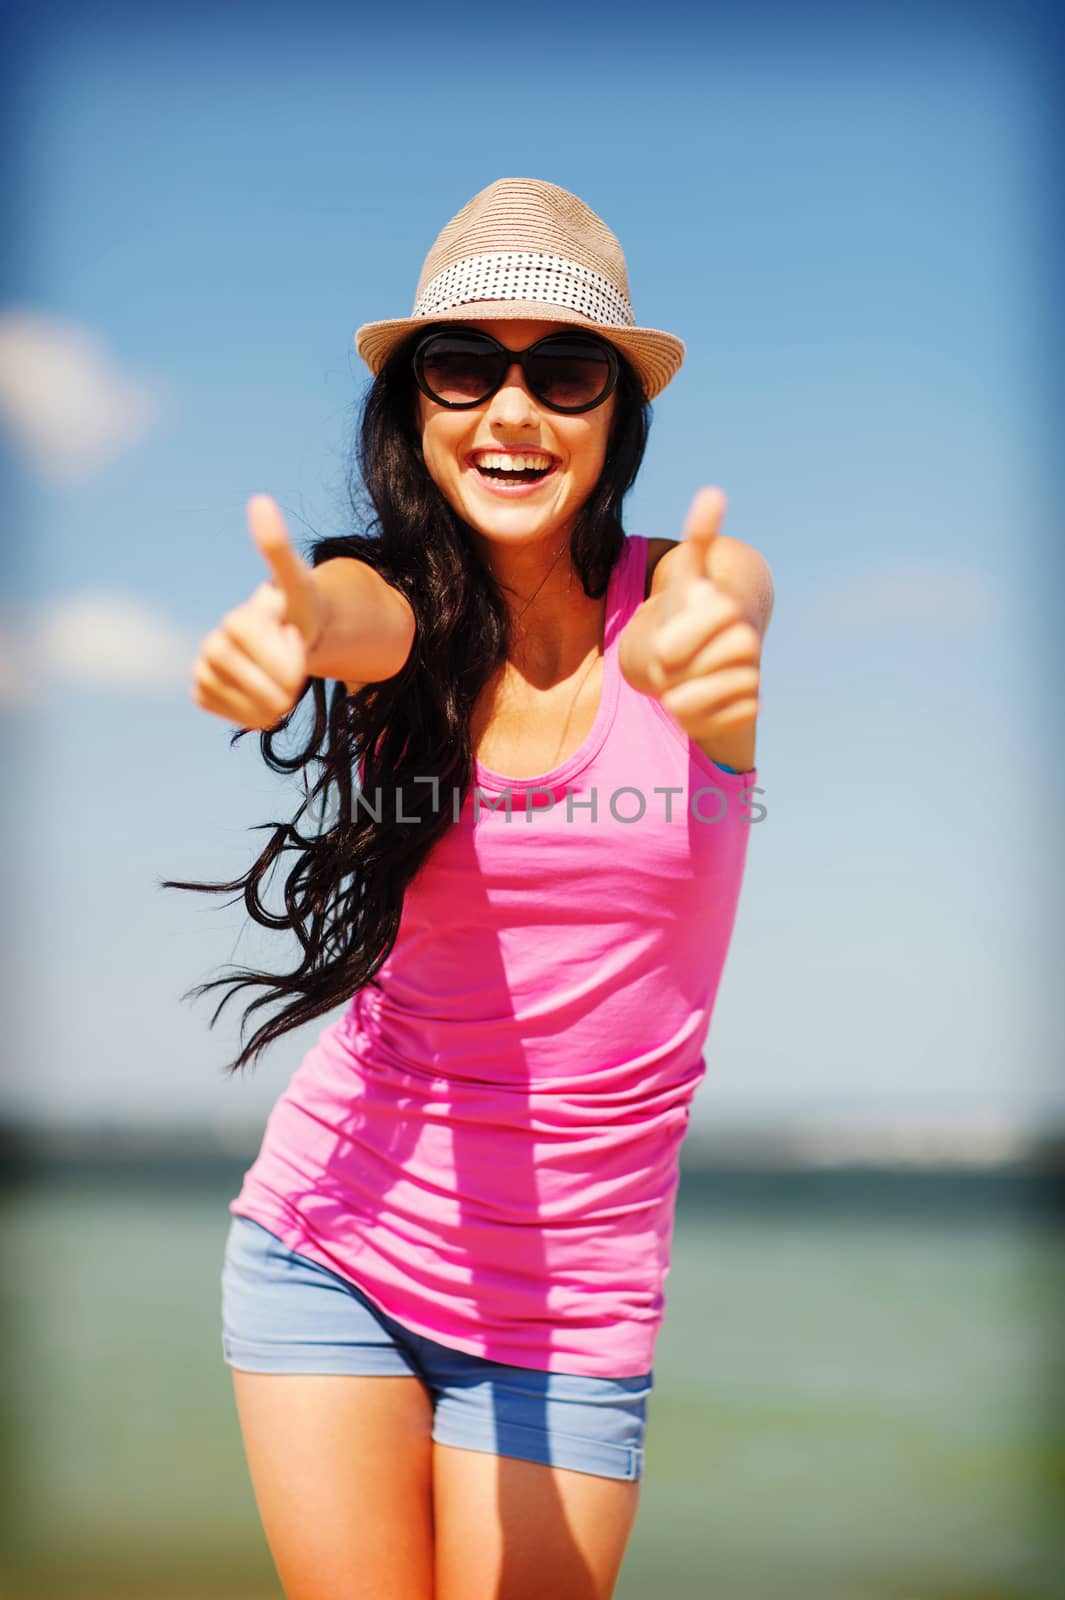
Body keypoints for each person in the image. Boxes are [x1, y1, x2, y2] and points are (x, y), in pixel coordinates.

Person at [174, 177, 774, 1600]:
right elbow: (346, 616)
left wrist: (701, 652)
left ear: (614, 416)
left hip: (572, 1305)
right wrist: (288, 630)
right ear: (416, 408)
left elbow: (714, 610)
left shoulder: (689, 595)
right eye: (465, 366)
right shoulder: (387, 604)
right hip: (332, 1245)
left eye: (562, 374)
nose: (511, 411)